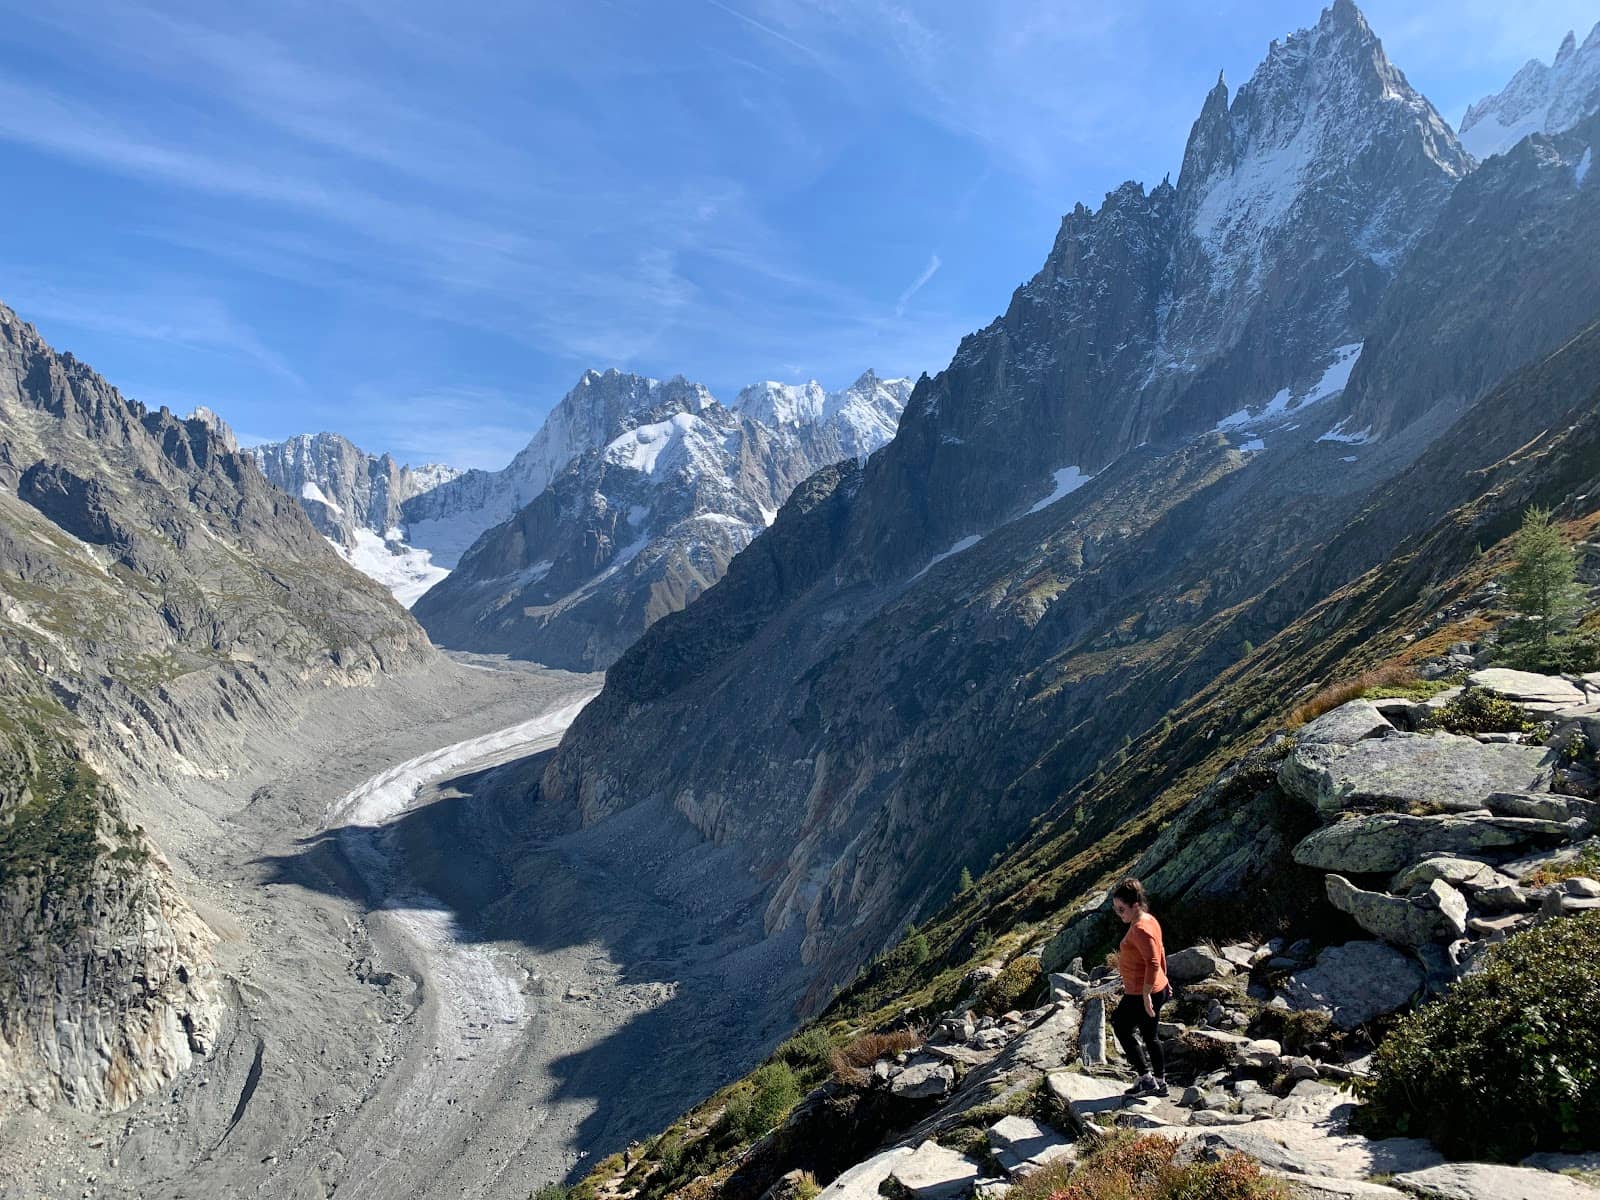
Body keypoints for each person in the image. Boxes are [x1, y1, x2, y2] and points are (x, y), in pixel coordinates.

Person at [1109, 876, 1171, 1097]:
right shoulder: (1148, 920)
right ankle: (1160, 1083)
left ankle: (1146, 1078)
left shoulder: (1140, 929)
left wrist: (1145, 995)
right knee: (1150, 1035)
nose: (1119, 914)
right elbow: (1160, 952)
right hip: (1155, 987)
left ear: (1135, 905)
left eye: (1121, 909)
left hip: (1141, 992)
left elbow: (1153, 961)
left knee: (1120, 1026)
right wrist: (1166, 980)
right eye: (1116, 909)